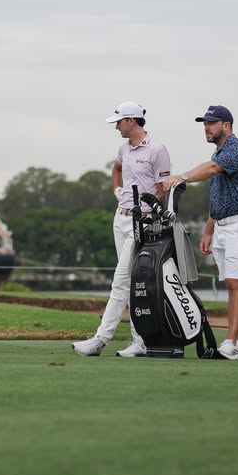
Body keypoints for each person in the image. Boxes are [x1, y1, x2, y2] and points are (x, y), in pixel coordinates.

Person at [73, 101, 171, 358]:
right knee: (129, 282)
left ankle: (100, 339)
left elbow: (163, 189)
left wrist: (155, 219)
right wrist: (118, 192)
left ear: (132, 121)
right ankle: (139, 341)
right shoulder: (123, 149)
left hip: (143, 221)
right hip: (121, 219)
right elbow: (116, 169)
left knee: (120, 281)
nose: (116, 126)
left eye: (119, 121)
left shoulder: (157, 149)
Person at [163, 105, 238, 361]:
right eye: (204, 123)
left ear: (226, 125)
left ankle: (229, 342)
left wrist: (180, 177)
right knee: (235, 285)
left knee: (235, 283)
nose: (206, 127)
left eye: (211, 122)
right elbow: (218, 199)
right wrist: (208, 231)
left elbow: (211, 169)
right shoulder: (219, 152)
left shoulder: (235, 149)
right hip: (223, 226)